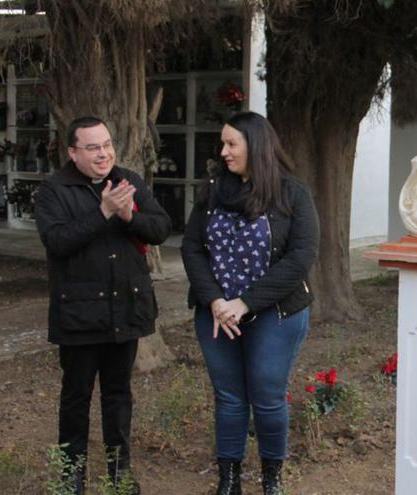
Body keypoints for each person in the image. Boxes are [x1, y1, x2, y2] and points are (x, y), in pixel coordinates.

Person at [181, 111, 319, 495]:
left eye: (231, 144)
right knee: (228, 396)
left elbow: (301, 257)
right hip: (217, 313)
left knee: (267, 394)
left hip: (275, 314)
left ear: (256, 146)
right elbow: (192, 247)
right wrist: (214, 300)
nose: (223, 152)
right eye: (222, 143)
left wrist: (244, 302)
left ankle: (271, 478)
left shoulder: (293, 193)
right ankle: (229, 480)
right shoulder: (211, 192)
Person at [35, 116, 172, 493]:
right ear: (73, 152)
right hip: (79, 314)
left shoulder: (128, 180)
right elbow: (57, 241)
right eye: (93, 147)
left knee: (118, 395)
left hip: (125, 309)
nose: (103, 153)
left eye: (107, 144)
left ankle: (119, 475)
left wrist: (129, 215)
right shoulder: (53, 190)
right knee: (76, 397)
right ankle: (71, 477)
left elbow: (161, 227)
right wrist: (103, 212)